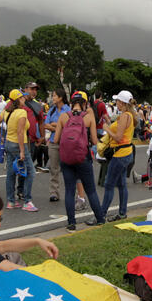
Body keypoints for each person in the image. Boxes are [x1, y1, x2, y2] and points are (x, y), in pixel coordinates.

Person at [54, 90, 105, 231]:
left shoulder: (63, 116)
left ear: (72, 103)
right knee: (91, 191)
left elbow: (56, 139)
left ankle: (71, 223)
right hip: (83, 158)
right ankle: (100, 219)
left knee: (69, 191)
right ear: (85, 103)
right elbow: (94, 140)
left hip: (66, 158)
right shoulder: (89, 117)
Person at [100, 90, 135, 222]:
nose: (116, 103)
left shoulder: (124, 116)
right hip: (126, 153)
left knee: (109, 184)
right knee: (121, 184)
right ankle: (122, 212)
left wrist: (107, 129)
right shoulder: (130, 115)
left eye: (117, 101)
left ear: (122, 103)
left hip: (120, 154)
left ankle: (101, 214)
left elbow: (118, 137)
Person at [44, 89, 70, 203]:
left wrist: (55, 125)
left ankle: (71, 192)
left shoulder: (68, 110)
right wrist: (58, 127)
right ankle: (54, 193)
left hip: (66, 143)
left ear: (60, 97)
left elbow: (69, 126)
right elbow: (46, 125)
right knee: (54, 169)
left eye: (54, 96)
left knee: (68, 169)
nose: (53, 98)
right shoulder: (52, 110)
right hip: (53, 142)